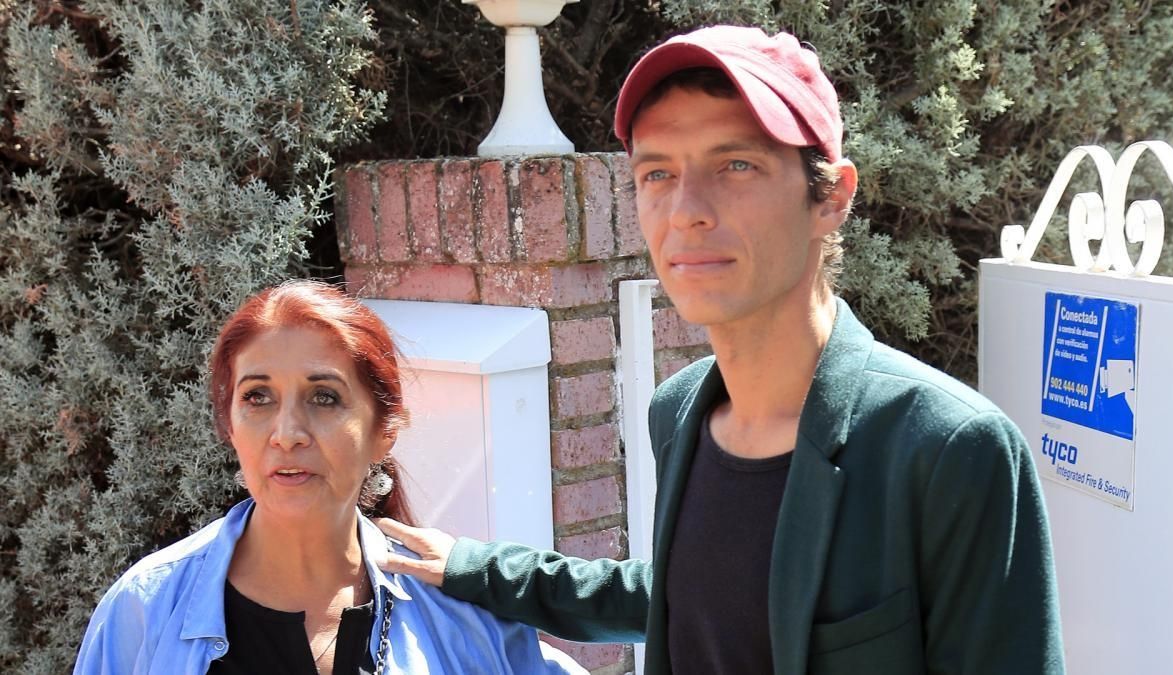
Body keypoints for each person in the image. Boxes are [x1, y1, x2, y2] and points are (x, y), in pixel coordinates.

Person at [375, 25, 1066, 675]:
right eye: (657, 174)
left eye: (736, 165)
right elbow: (691, 594)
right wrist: (477, 569)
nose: (686, 211)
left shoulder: (948, 448)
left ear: (831, 198)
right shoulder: (678, 411)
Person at [73, 281, 584, 675]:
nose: (287, 433)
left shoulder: (461, 616)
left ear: (384, 431)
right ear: (229, 425)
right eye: (257, 397)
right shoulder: (145, 611)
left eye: (324, 397)